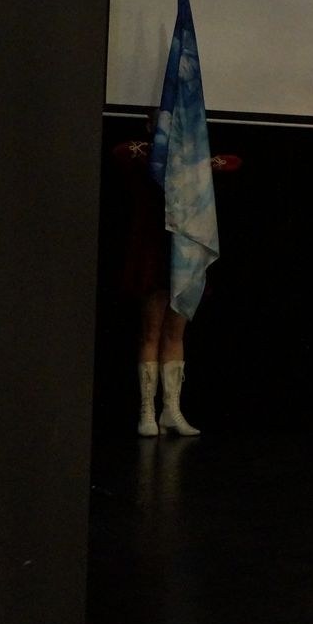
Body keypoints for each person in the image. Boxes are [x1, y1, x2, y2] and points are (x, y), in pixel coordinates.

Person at [111, 117, 240, 438]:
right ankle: (146, 411)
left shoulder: (192, 159)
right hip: (152, 251)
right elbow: (120, 152)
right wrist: (160, 153)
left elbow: (233, 162)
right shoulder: (145, 155)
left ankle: (171, 410)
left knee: (175, 334)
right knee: (151, 332)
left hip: (183, 255)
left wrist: (195, 161)